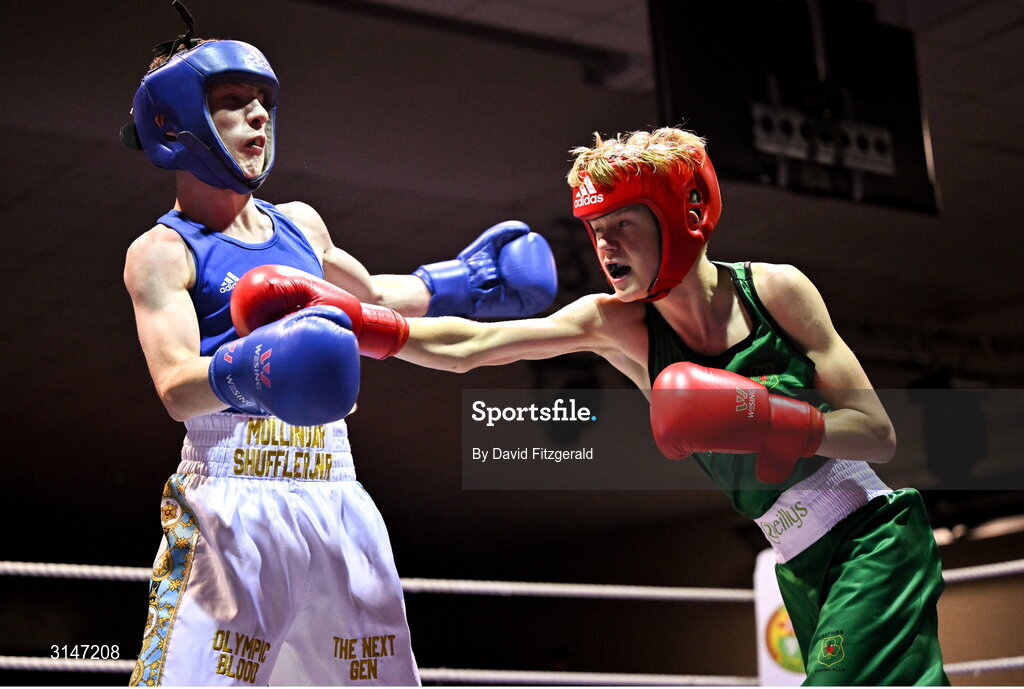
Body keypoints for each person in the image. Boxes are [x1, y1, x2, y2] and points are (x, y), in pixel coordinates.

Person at [235, 127, 948, 685]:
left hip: (871, 536)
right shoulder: (619, 325)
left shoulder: (774, 291)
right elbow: (472, 345)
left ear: (681, 215)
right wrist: (354, 321)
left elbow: (877, 434)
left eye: (621, 227)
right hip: (799, 557)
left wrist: (762, 413)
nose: (603, 246)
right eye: (595, 229)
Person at [121, 35, 557, 686]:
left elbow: (375, 297)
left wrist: (471, 280)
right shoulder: (161, 251)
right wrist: (258, 365)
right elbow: (177, 387)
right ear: (177, 121)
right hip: (230, 501)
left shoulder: (301, 225)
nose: (260, 116)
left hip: (334, 490)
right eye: (233, 102)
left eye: (263, 101)